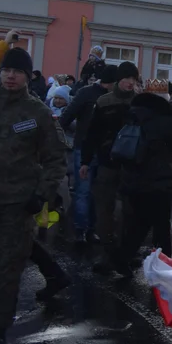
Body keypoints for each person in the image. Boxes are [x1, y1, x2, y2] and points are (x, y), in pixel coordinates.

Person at [0, 46, 66, 344]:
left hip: (17, 204)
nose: (11, 76)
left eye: (18, 72)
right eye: (7, 70)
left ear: (27, 76)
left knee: (8, 268)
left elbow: (54, 160)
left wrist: (42, 195)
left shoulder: (37, 113)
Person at [99, 79, 172, 278]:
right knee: (161, 227)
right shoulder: (164, 120)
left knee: (138, 225)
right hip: (157, 181)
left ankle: (119, 259)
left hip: (131, 179)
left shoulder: (132, 115)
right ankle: (166, 268)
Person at [81, 61, 139, 254]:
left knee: (130, 208)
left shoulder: (140, 102)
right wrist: (85, 161)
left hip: (132, 164)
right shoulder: (104, 101)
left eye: (133, 78)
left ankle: (126, 249)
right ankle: (107, 248)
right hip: (107, 161)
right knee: (104, 206)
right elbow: (93, 132)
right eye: (126, 78)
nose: (130, 82)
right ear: (118, 79)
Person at [61, 64, 117, 244]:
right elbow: (66, 117)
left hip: (102, 151)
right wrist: (75, 135)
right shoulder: (88, 93)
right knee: (85, 191)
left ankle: (88, 229)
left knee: (92, 192)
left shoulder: (93, 94)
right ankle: (82, 229)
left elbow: (66, 118)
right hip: (85, 149)